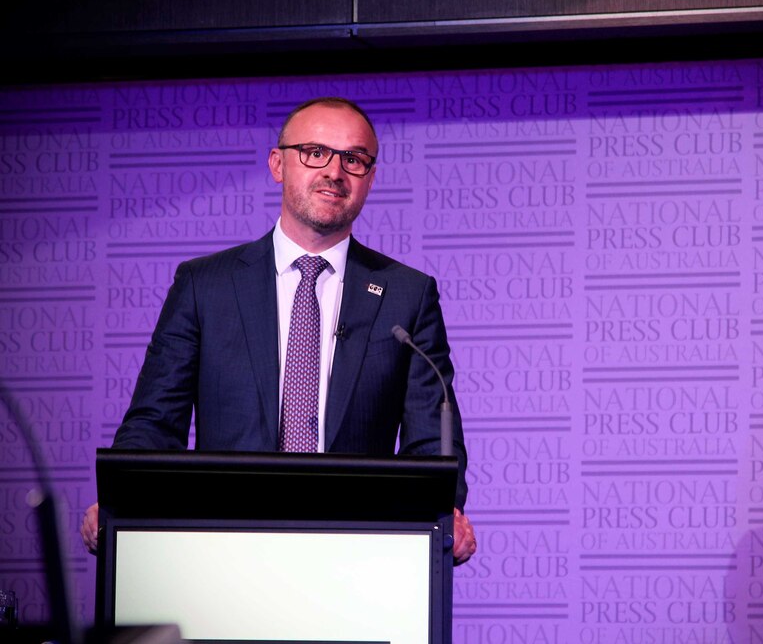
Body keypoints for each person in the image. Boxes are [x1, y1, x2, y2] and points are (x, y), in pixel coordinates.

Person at [80, 97, 476, 564]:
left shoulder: (407, 294)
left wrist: (441, 510)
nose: (334, 171)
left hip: (359, 554)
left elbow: (431, 438)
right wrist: (124, 497)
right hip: (224, 547)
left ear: (370, 178)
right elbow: (155, 420)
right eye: (315, 152)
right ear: (277, 164)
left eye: (353, 159)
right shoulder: (205, 285)